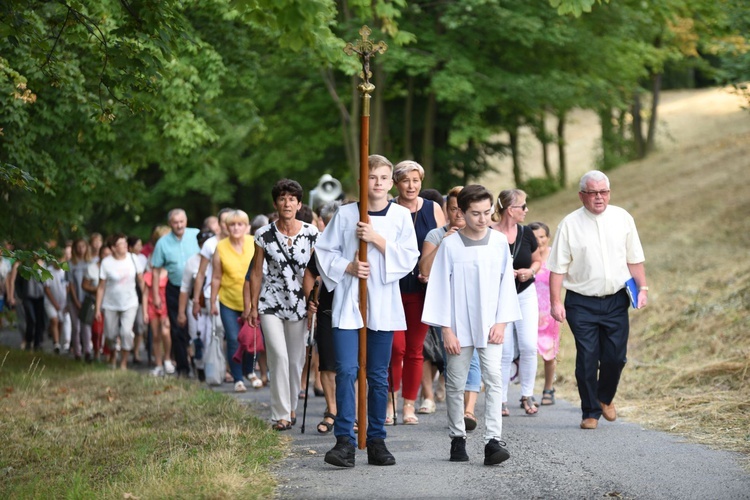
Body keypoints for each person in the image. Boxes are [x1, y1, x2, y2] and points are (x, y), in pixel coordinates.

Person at [315, 154, 419, 468]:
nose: (377, 183)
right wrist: (347, 266)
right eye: (372, 177)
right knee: (346, 370)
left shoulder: (400, 216)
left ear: (392, 183)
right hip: (350, 301)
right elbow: (324, 249)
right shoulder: (346, 214)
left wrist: (376, 239)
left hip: (383, 301)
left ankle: (376, 439)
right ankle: (344, 440)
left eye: (383, 178)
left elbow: (409, 257)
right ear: (363, 181)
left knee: (377, 374)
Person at [422, 184, 521, 465]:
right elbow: (439, 287)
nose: (482, 219)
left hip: (491, 324)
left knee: (493, 378)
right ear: (462, 213)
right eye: (475, 213)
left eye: (487, 212)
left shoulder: (499, 242)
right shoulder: (450, 245)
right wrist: (447, 329)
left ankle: (493, 440)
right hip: (457, 325)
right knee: (455, 382)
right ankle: (457, 438)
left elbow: (506, 285)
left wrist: (501, 323)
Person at [548, 170, 648, 430]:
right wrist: (556, 302)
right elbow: (557, 268)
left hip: (616, 300)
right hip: (581, 303)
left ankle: (605, 397)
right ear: (582, 195)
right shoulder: (569, 224)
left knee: (616, 357)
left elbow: (634, 258)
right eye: (593, 193)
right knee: (588, 357)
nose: (599, 197)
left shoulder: (623, 218)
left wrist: (643, 288)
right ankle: (590, 411)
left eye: (604, 192)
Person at [249, 179, 318, 431]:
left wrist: (314, 302)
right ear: (275, 203)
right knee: (278, 355)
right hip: (271, 301)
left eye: (291, 199)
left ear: (299, 204)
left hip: (300, 302)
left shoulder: (311, 233)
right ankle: (280, 414)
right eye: (282, 198)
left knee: (295, 359)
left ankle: (291, 407)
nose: (286, 203)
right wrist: (253, 306)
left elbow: (316, 271)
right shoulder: (263, 234)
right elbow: (256, 273)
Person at [388, 160, 446, 425]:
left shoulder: (433, 208)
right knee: (395, 348)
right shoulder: (387, 209)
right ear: (396, 183)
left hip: (422, 290)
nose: (411, 186)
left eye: (416, 180)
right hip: (391, 288)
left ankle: (409, 405)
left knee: (414, 349)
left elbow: (444, 247)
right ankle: (390, 401)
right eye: (405, 180)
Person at [419, 186, 481, 430]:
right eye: (453, 208)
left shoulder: (480, 234)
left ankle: (469, 411)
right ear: (447, 210)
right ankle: (455, 407)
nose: (457, 214)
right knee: (451, 357)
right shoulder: (436, 235)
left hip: (473, 305)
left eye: (461, 209)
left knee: (474, 356)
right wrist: (444, 242)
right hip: (445, 306)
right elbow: (424, 269)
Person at [491, 189, 541, 416]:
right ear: (510, 210)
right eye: (523, 206)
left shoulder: (527, 233)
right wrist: (502, 273)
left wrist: (529, 271)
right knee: (504, 350)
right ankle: (500, 399)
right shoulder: (489, 234)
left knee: (529, 345)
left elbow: (538, 260)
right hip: (499, 295)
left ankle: (527, 393)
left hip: (525, 293)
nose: (526, 210)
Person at [302, 200, 341, 435]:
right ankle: (332, 410)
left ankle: (351, 412)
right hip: (327, 309)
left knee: (352, 364)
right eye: (329, 222)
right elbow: (309, 273)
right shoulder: (323, 249)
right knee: (327, 361)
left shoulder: (359, 244)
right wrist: (311, 300)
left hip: (355, 310)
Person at [210, 210, 256, 392]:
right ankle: (238, 378)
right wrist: (212, 301)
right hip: (228, 300)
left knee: (251, 339)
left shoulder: (254, 243)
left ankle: (249, 371)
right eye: (232, 224)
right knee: (233, 339)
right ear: (226, 227)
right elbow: (216, 277)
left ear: (246, 227)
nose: (236, 228)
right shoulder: (220, 247)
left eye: (240, 224)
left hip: (252, 301)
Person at [150, 209, 200, 377]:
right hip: (175, 289)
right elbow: (156, 271)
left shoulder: (196, 235)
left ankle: (199, 365)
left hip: (196, 289)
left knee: (198, 327)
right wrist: (156, 295)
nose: (179, 225)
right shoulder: (162, 243)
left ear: (186, 221)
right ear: (170, 224)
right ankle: (183, 368)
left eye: (181, 221)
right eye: (175, 222)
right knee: (178, 328)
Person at [95, 233, 145, 370]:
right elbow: (101, 287)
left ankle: (123, 362)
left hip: (130, 302)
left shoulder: (134, 259)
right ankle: (112, 354)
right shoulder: (106, 263)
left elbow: (142, 283)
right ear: (113, 247)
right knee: (110, 334)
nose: (125, 246)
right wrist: (97, 309)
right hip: (110, 303)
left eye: (125, 243)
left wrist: (146, 305)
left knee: (126, 333)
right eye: (121, 244)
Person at [528, 222, 559, 405]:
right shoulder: (527, 255)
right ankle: (528, 391)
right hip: (529, 310)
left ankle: (548, 388)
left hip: (549, 311)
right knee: (528, 352)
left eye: (542, 237)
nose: (539, 241)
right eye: (534, 237)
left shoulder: (555, 255)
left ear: (548, 238)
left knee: (549, 353)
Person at [146, 226, 173, 376]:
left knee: (166, 331)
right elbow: (149, 280)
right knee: (155, 334)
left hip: (168, 301)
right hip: (153, 301)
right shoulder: (153, 258)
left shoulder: (172, 256)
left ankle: (168, 358)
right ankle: (158, 363)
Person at [82, 245, 112, 360]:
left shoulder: (114, 267)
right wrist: (97, 289)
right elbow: (84, 285)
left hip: (111, 302)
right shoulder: (92, 268)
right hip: (96, 302)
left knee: (110, 329)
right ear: (100, 255)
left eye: (109, 254)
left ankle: (108, 353)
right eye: (104, 254)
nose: (107, 257)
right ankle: (96, 351)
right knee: (96, 330)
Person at [67, 238, 93, 361]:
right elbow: (70, 284)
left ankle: (87, 350)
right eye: (78, 246)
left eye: (83, 246)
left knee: (86, 326)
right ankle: (77, 352)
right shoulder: (70, 264)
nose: (81, 249)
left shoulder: (90, 263)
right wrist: (76, 300)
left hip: (87, 299)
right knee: (76, 327)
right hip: (74, 299)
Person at [43, 256, 68, 354]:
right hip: (50, 302)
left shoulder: (65, 271)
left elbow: (68, 286)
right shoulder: (48, 271)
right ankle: (56, 344)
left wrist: (65, 302)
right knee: (54, 320)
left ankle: (55, 336)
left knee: (60, 322)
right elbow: (47, 288)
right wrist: (54, 303)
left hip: (62, 302)